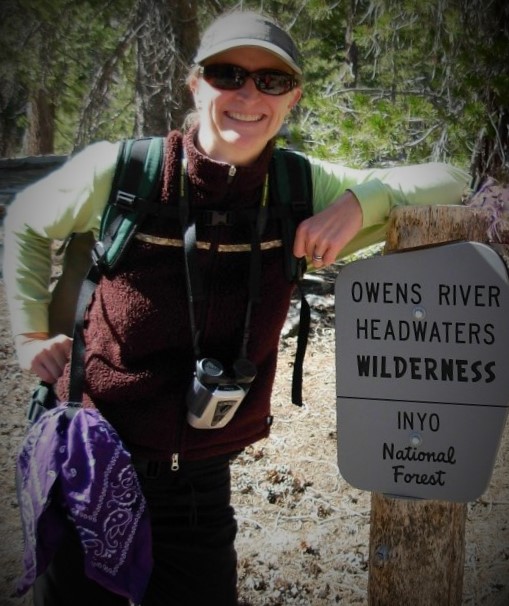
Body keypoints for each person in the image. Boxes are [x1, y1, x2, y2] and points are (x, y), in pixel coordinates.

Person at [3, 9, 469, 606]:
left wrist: (361, 200)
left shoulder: (297, 189)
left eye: (271, 81)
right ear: (195, 84)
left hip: (199, 482)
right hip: (93, 458)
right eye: (229, 74)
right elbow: (25, 220)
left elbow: (452, 178)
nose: (249, 94)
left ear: (293, 97)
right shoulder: (129, 172)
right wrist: (29, 335)